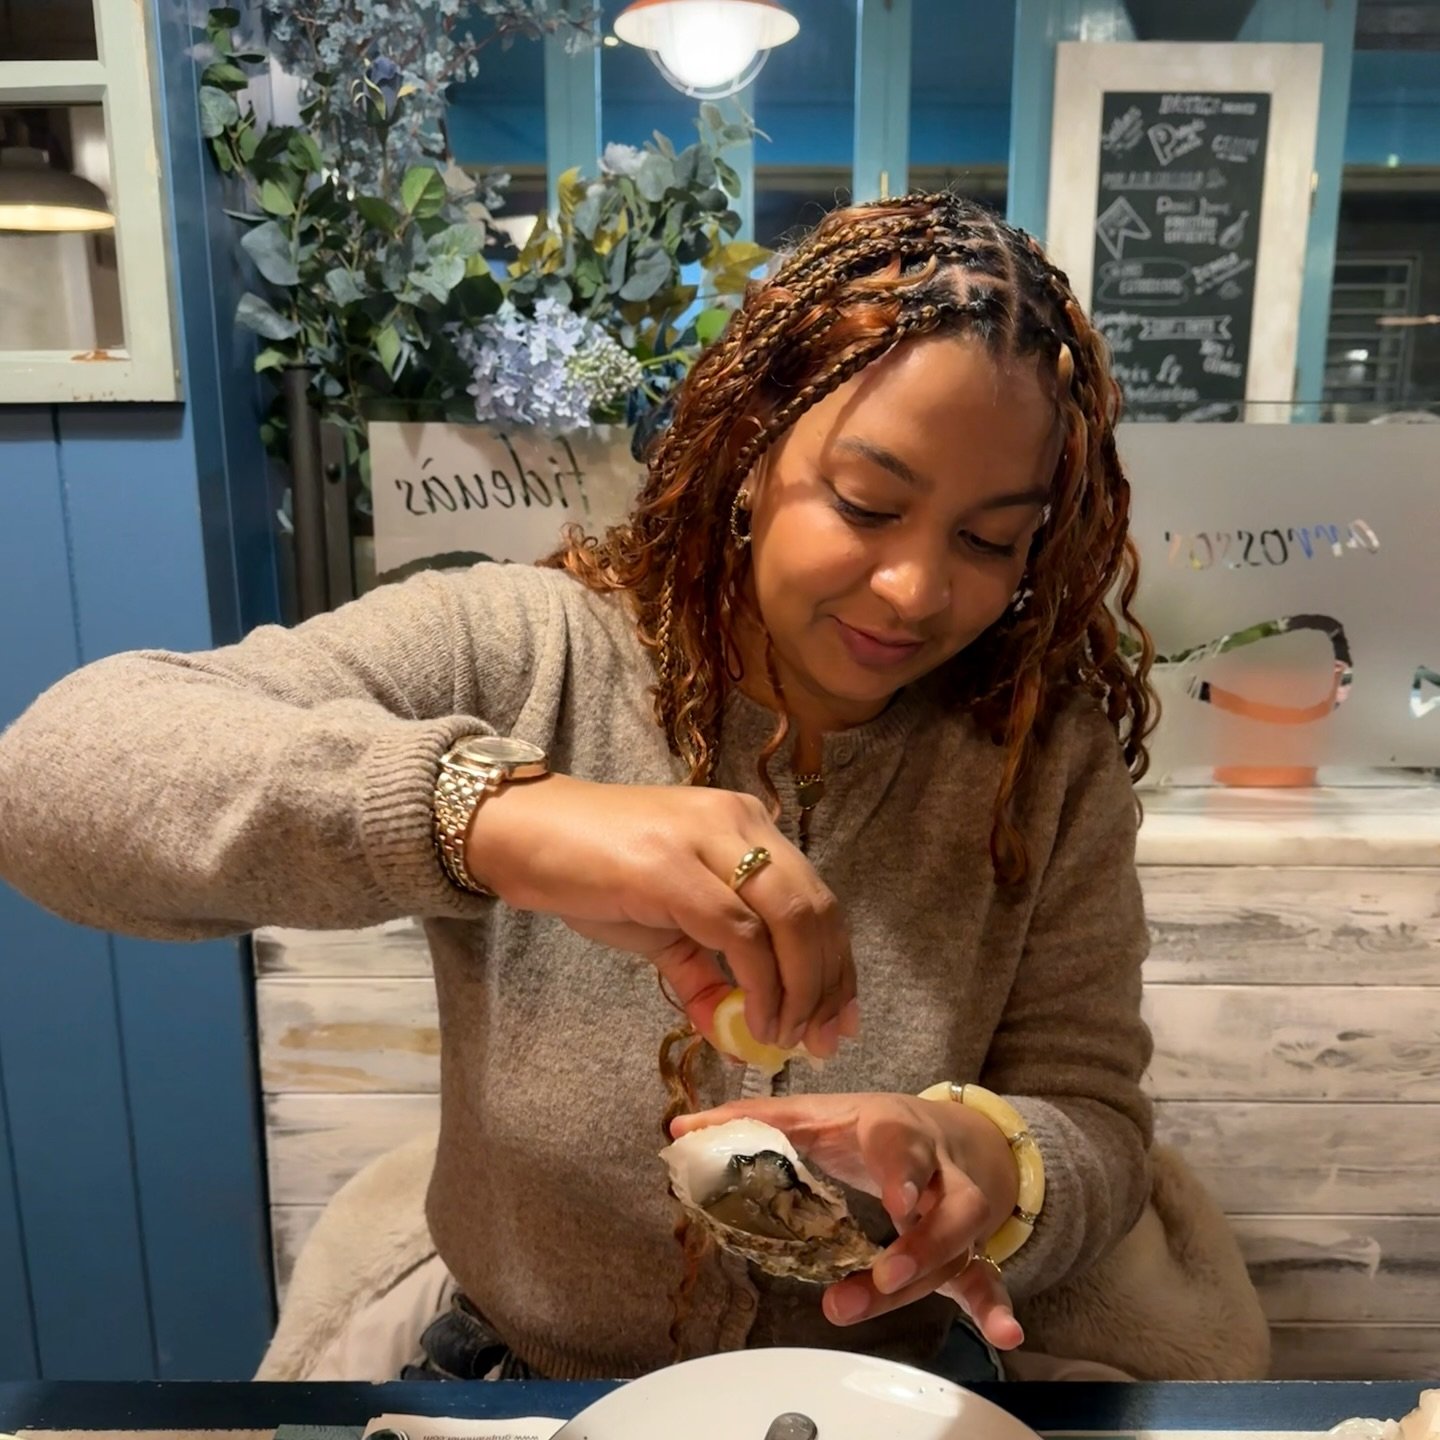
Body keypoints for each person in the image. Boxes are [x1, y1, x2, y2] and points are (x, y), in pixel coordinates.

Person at [0, 192, 1265, 1384]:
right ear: (751, 449)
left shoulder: (1040, 759)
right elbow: (61, 771)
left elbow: (1094, 1115)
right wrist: (489, 815)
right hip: (518, 1382)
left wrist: (989, 1155)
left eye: (990, 540)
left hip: (880, 1393)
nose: (918, 590)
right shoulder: (526, 652)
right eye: (868, 503)